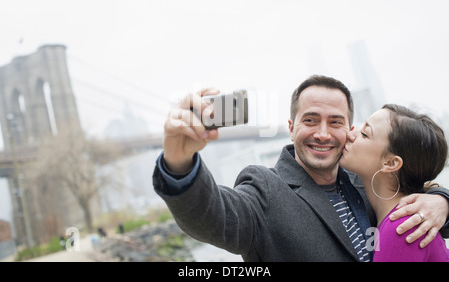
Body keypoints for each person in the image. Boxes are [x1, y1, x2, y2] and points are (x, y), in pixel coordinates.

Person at [153, 75, 449, 261]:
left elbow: (419, 225)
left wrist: (442, 201)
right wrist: (179, 165)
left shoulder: (368, 181)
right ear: (292, 128)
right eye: (310, 120)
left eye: (335, 122)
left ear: (349, 129)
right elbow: (214, 217)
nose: (322, 133)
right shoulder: (265, 189)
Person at [339, 104, 449, 261]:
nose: (350, 134)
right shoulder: (396, 221)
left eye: (364, 134)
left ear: (390, 163)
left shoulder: (402, 229)